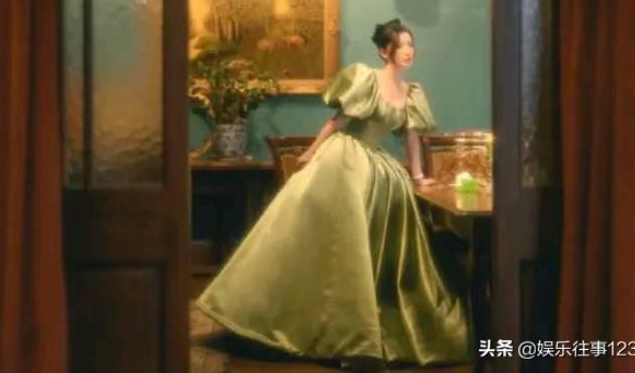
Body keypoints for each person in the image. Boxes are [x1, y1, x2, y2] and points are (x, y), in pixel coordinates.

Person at [196, 19, 473, 371]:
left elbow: (412, 137)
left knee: (382, 225)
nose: (408, 50)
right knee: (325, 238)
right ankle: (297, 317)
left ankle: (367, 318)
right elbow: (339, 121)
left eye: (411, 44)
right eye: (401, 45)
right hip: (344, 158)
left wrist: (418, 176)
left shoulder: (412, 93)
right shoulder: (366, 79)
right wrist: (311, 152)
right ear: (384, 51)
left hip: (379, 167)